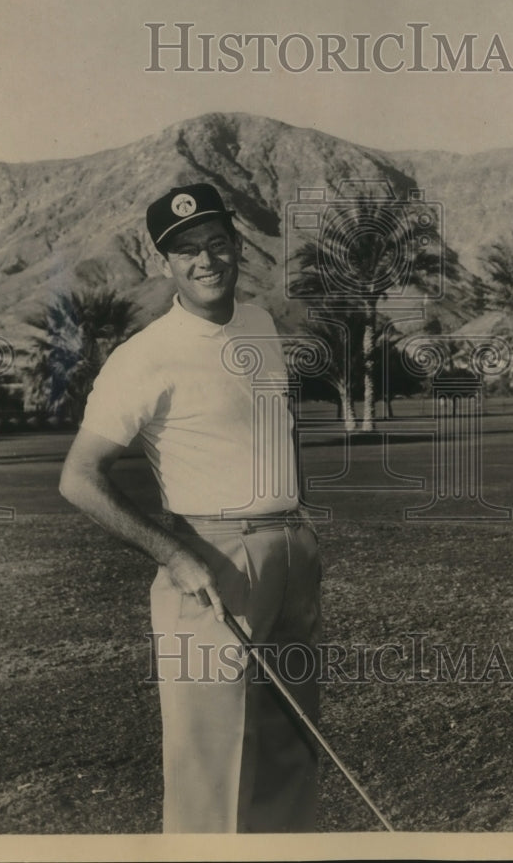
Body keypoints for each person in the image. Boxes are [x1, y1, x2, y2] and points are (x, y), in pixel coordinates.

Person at [59, 183, 322, 834]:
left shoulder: (259, 323)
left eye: (216, 243)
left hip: (290, 554)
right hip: (212, 561)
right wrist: (174, 556)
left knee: (291, 751)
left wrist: (301, 518)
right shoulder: (144, 356)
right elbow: (79, 478)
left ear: (237, 247)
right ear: (165, 263)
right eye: (186, 251)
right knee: (212, 772)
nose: (206, 260)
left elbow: (278, 427)